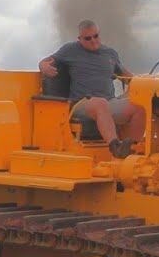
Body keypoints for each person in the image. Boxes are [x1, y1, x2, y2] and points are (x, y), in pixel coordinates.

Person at [39, 19, 146, 158]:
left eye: (96, 36)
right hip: (82, 104)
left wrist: (144, 85)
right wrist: (42, 65)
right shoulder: (70, 50)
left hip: (108, 103)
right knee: (100, 103)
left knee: (140, 105)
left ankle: (131, 149)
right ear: (80, 39)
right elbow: (45, 61)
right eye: (88, 38)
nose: (93, 41)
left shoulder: (110, 53)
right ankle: (115, 147)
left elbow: (129, 78)